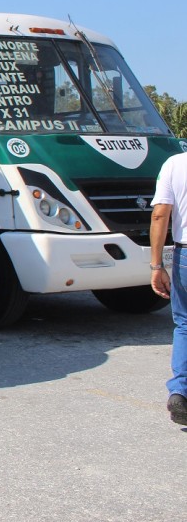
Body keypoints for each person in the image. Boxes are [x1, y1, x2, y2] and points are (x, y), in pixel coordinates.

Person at [151, 149, 187, 426]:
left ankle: (181, 391)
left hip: (185, 254)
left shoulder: (175, 164)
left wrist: (156, 265)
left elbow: (160, 215)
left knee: (185, 323)